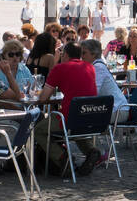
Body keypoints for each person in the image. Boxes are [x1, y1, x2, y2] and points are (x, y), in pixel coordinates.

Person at [36, 42, 102, 175]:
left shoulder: (60, 68)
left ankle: (62, 157)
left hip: (70, 117)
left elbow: (43, 98)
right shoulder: (90, 67)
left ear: (65, 55)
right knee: (76, 127)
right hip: (90, 115)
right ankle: (91, 151)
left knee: (38, 130)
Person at [80, 38, 131, 126]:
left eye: (84, 53)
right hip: (113, 108)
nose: (81, 56)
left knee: (81, 118)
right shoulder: (95, 66)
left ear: (94, 54)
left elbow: (94, 92)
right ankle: (84, 139)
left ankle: (85, 139)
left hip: (118, 110)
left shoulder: (98, 67)